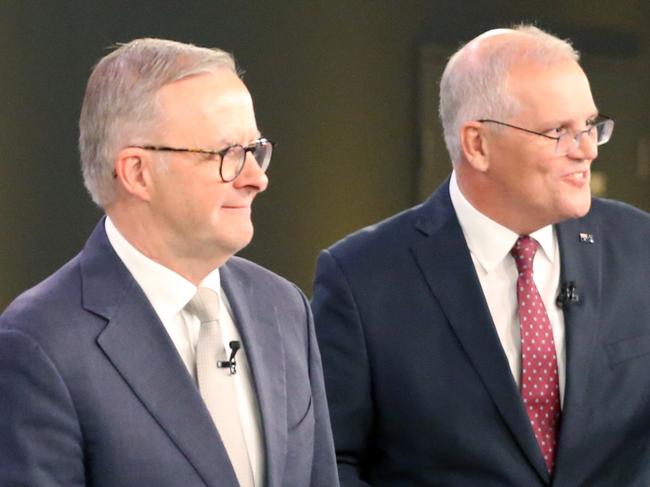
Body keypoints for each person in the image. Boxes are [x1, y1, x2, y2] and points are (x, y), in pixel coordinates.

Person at [312, 25, 650, 486]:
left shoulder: (638, 244)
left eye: (590, 127)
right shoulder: (361, 277)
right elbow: (330, 461)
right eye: (559, 132)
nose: (588, 150)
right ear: (478, 145)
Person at [0, 38, 338, 487]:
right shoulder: (40, 342)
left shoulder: (284, 307)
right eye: (227, 156)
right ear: (138, 172)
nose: (257, 178)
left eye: (254, 150)